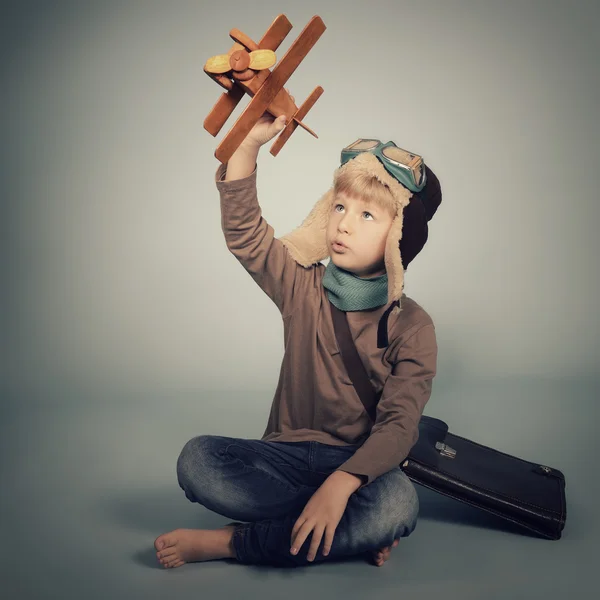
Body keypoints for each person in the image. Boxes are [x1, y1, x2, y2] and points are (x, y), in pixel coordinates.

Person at [155, 97, 442, 569]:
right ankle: (346, 529)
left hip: (357, 465)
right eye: (341, 207)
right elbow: (247, 234)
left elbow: (398, 427)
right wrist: (249, 141)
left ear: (399, 238)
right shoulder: (302, 285)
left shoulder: (413, 326)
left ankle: (233, 544)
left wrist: (342, 483)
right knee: (197, 461)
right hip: (282, 458)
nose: (344, 224)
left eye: (367, 216)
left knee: (397, 504)